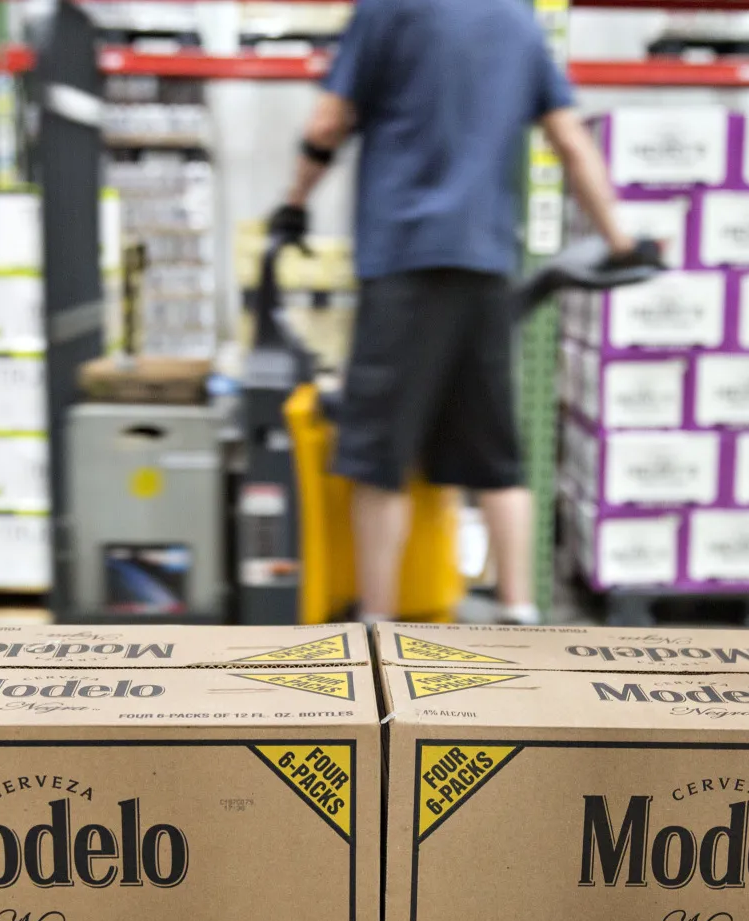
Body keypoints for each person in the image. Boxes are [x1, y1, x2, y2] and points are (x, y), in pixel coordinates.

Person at [270, 0, 640, 626]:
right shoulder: (516, 18)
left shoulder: (387, 9)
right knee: (497, 454)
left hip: (403, 261)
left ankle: (377, 631)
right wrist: (622, 244)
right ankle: (520, 611)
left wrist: (295, 203)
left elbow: (330, 119)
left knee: (379, 456)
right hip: (485, 263)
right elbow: (570, 139)